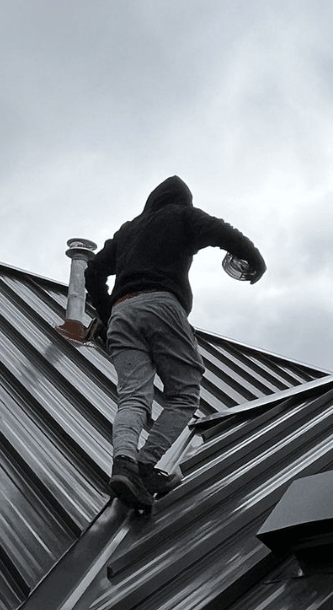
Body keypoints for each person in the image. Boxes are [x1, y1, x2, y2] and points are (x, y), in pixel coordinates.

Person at [84, 175, 266, 511]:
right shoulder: (182, 216)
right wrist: (254, 260)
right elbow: (225, 232)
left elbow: (93, 271)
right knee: (184, 394)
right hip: (163, 304)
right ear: (183, 201)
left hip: (123, 313)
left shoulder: (128, 231)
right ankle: (144, 465)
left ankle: (122, 463)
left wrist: (109, 314)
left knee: (133, 396)